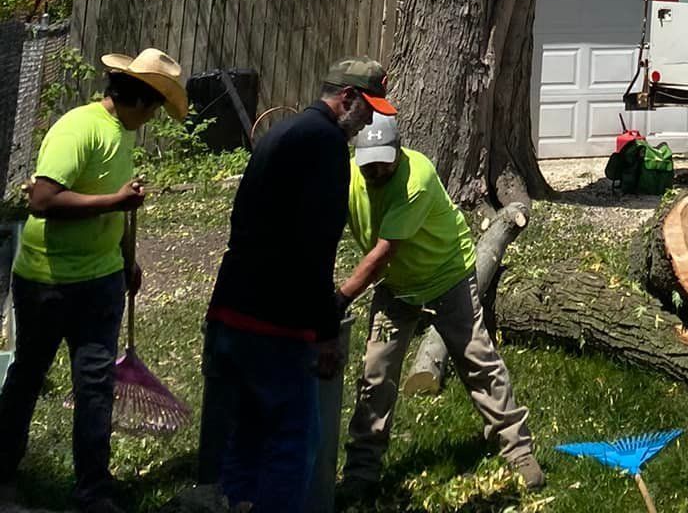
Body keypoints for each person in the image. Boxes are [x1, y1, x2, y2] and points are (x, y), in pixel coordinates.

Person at [198, 57, 390, 513]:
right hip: (277, 322)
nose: (369, 123)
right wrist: (324, 330)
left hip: (233, 309)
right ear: (348, 98)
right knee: (292, 442)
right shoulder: (325, 144)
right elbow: (314, 244)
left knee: (246, 436)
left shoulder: (280, 134)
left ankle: (236, 503)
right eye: (368, 111)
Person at [0, 47, 186, 513]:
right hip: (48, 282)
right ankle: (3, 470)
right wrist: (115, 202)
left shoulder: (122, 133)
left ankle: (93, 490)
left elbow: (113, 202)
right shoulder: (78, 128)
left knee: (95, 385)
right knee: (28, 375)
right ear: (139, 99)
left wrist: (127, 258)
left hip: (101, 281)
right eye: (155, 107)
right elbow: (42, 200)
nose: (153, 117)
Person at [337, 115, 543, 496]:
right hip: (395, 286)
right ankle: (361, 471)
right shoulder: (349, 177)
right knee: (376, 374)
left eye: (384, 162)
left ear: (399, 152)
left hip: (446, 276)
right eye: (369, 164)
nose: (376, 171)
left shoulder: (416, 179)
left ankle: (518, 451)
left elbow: (383, 253)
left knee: (479, 362)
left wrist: (341, 297)